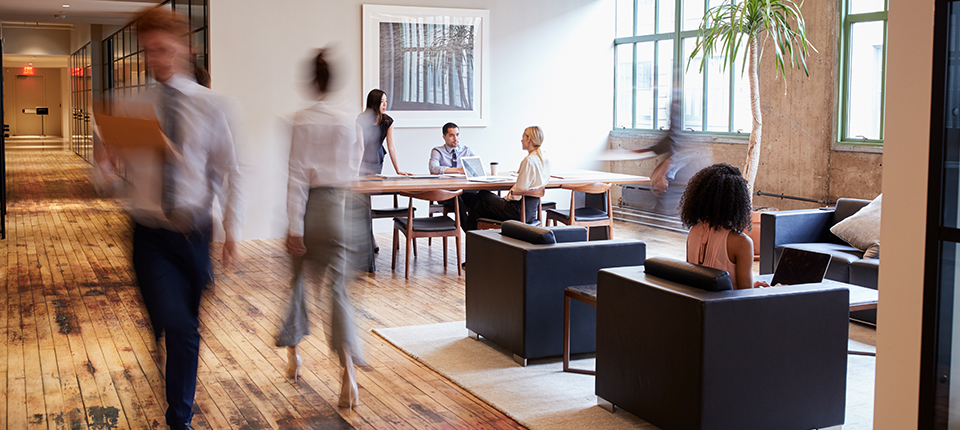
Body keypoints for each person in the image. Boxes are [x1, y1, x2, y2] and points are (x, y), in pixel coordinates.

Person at [100, 8, 245, 430]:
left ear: (185, 48)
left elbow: (228, 172)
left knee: (184, 328)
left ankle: (177, 402)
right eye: (149, 51)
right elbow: (104, 179)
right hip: (148, 232)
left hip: (194, 234)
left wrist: (232, 230)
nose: (156, 59)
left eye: (164, 49)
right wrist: (105, 164)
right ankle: (179, 421)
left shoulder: (214, 105)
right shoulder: (129, 104)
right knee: (177, 325)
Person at [277, 49, 363, 410]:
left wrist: (294, 226)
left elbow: (297, 175)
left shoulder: (301, 121)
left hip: (313, 208)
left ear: (312, 81)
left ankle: (294, 356)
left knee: (298, 283)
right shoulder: (349, 122)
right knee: (338, 291)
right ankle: (348, 377)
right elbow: (355, 168)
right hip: (343, 209)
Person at [679, 163, 768, 289]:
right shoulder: (741, 243)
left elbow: (702, 281)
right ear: (739, 202)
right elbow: (746, 296)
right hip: (727, 307)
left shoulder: (694, 231)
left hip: (700, 305)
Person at [465, 126, 550, 231]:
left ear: (529, 139)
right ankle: (473, 231)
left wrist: (508, 197)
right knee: (481, 206)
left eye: (523, 137)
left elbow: (519, 191)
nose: (521, 140)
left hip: (517, 212)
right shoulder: (544, 158)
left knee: (482, 195)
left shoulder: (529, 161)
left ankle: (470, 231)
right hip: (530, 213)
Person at [428, 122, 478, 221]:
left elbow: (479, 166)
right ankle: (469, 230)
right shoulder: (438, 151)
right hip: (444, 192)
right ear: (444, 137)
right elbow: (433, 168)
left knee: (481, 197)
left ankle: (476, 229)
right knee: (457, 199)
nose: (455, 138)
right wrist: (458, 170)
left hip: (464, 190)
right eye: (451, 135)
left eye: (457, 135)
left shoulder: (466, 150)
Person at [358, 89, 409, 176]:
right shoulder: (361, 120)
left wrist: (398, 170)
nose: (385, 104)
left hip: (376, 158)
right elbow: (360, 147)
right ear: (374, 102)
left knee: (374, 185)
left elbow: (391, 147)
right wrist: (355, 171)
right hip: (359, 158)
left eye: (386, 101)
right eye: (382, 101)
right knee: (359, 185)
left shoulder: (388, 121)